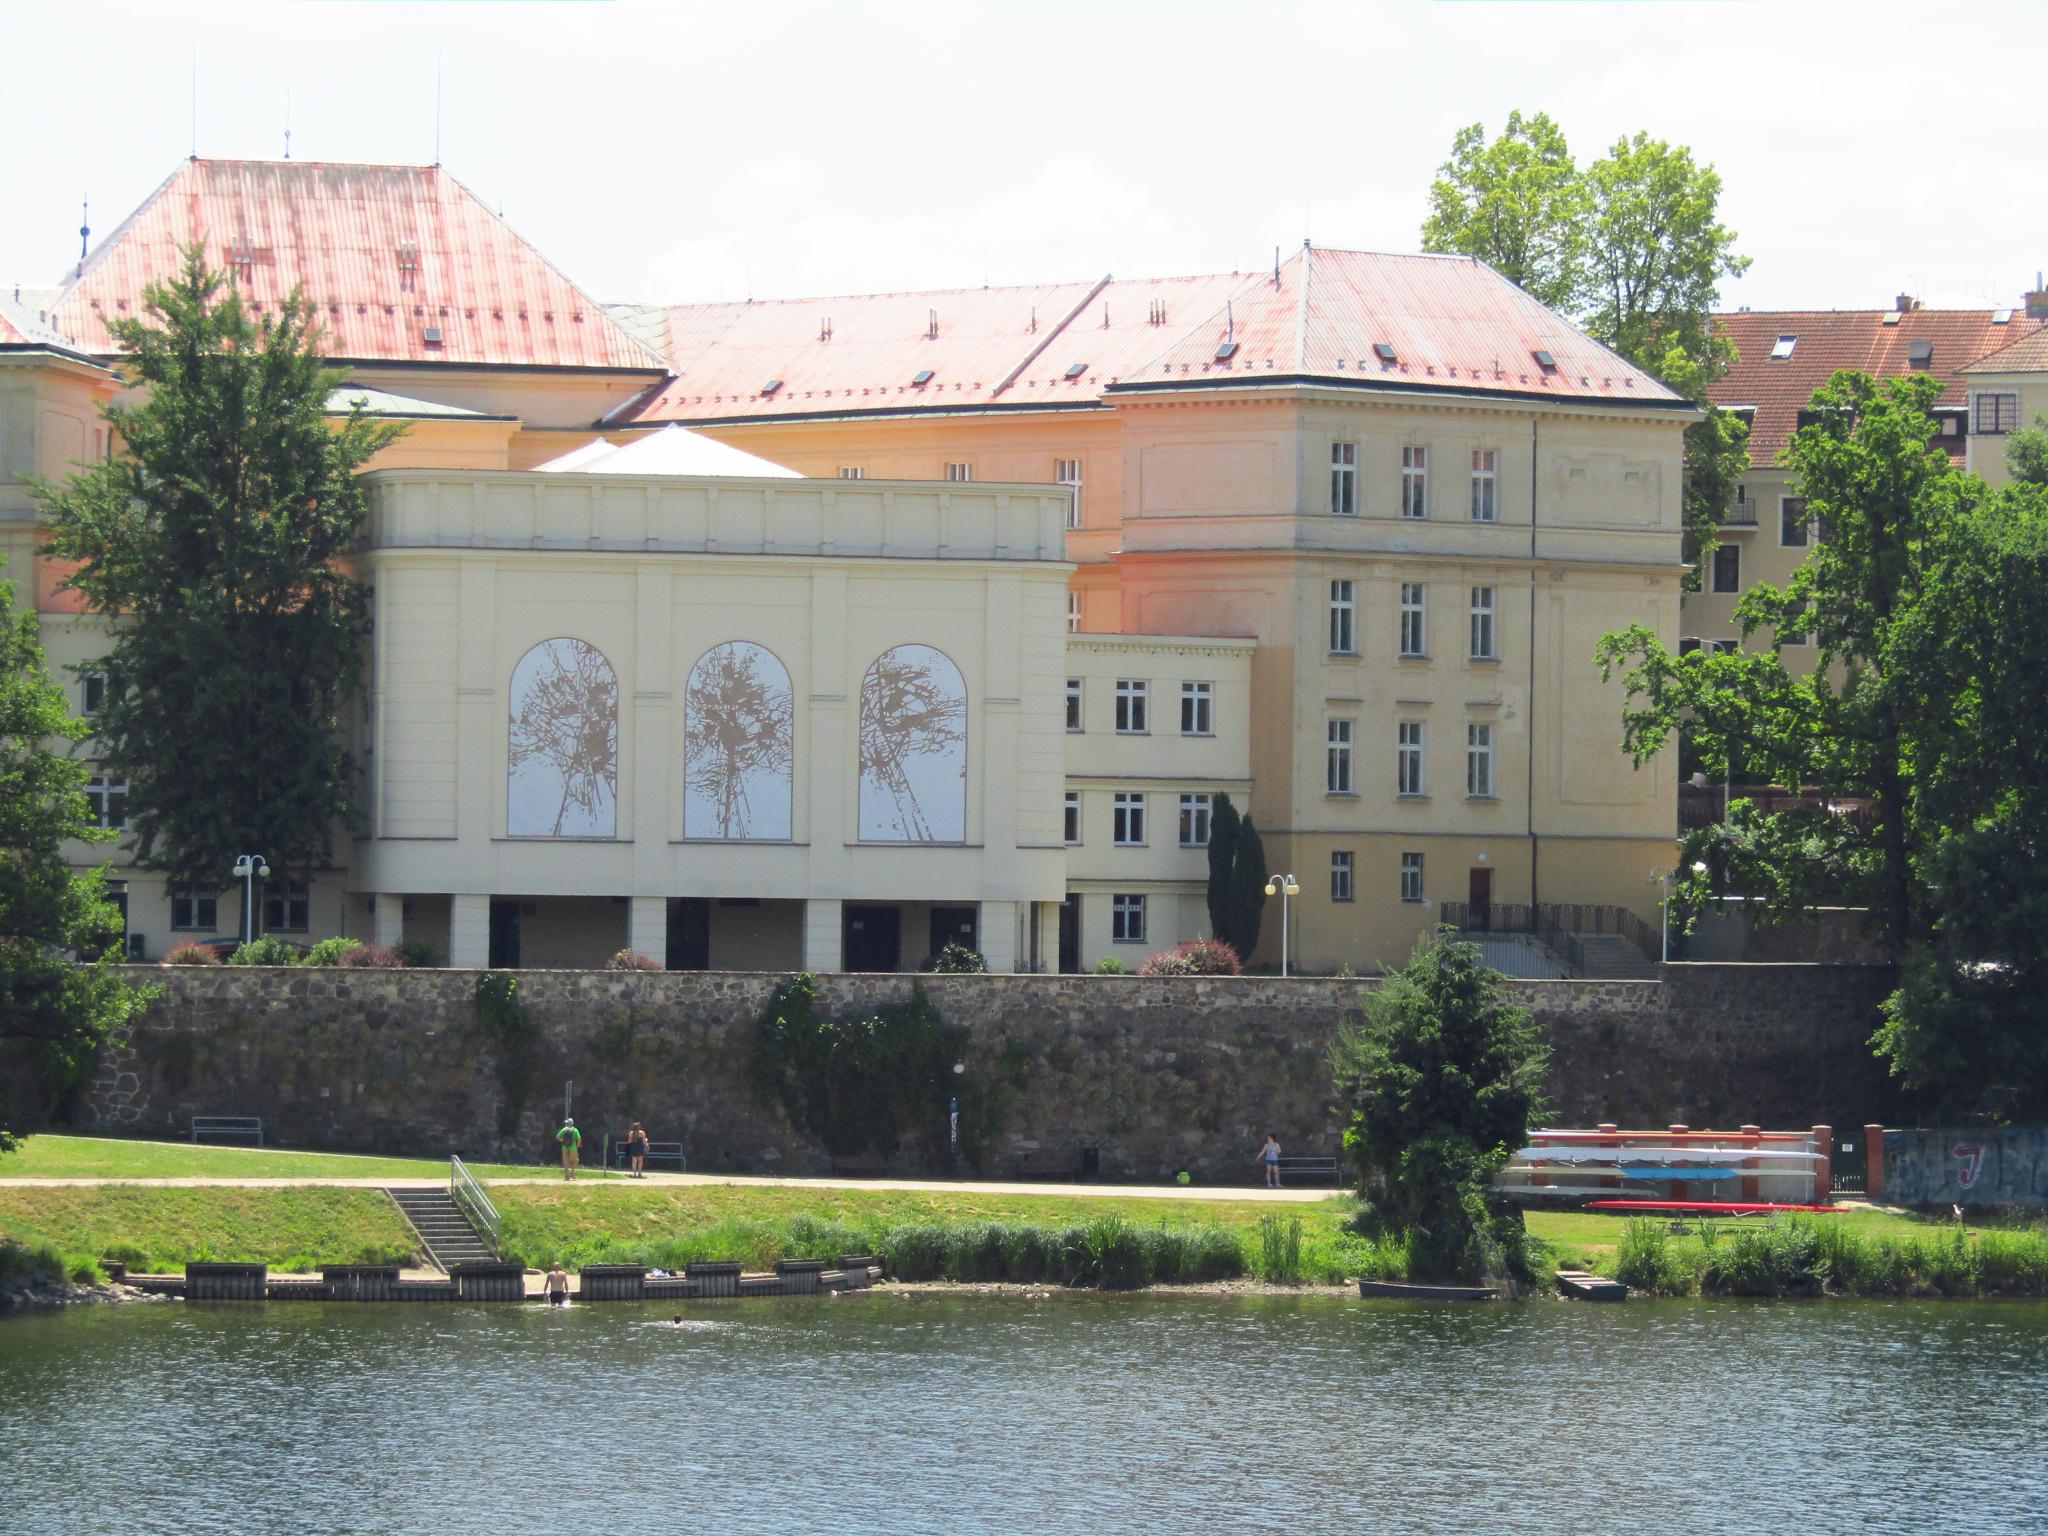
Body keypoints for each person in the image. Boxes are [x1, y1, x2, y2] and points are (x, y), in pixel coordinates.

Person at [556, 1116, 582, 1181]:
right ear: (572, 1124)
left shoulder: (564, 1129)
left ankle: (566, 1176)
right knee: (576, 1160)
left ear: (567, 1123)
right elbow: (579, 1139)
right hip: (573, 1147)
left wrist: (563, 1141)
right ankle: (572, 1173)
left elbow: (557, 1137)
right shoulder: (575, 1130)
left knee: (566, 1161)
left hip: (564, 1147)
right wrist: (577, 1146)